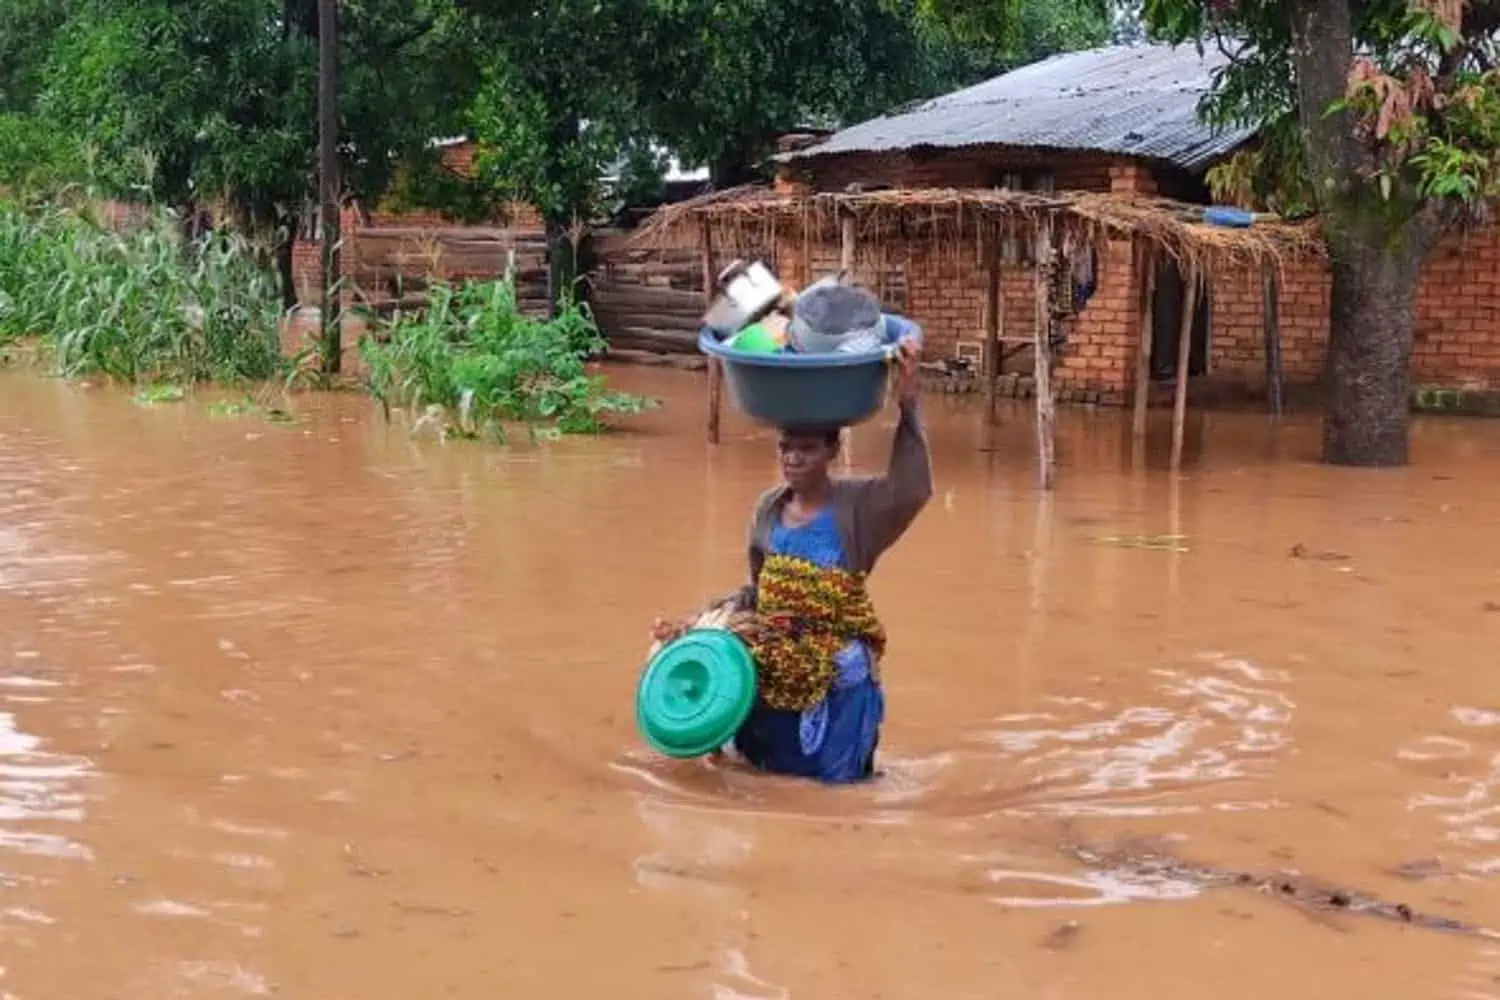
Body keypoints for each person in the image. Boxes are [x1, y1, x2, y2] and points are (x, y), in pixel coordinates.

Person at [652, 337, 931, 783]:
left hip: (837, 681)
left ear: (832, 452)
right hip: (778, 666)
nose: (793, 459)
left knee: (832, 789)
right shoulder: (768, 510)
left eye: (807, 449)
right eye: (785, 448)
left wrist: (908, 400)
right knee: (764, 778)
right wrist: (704, 628)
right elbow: (760, 594)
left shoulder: (859, 508)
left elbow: (912, 488)